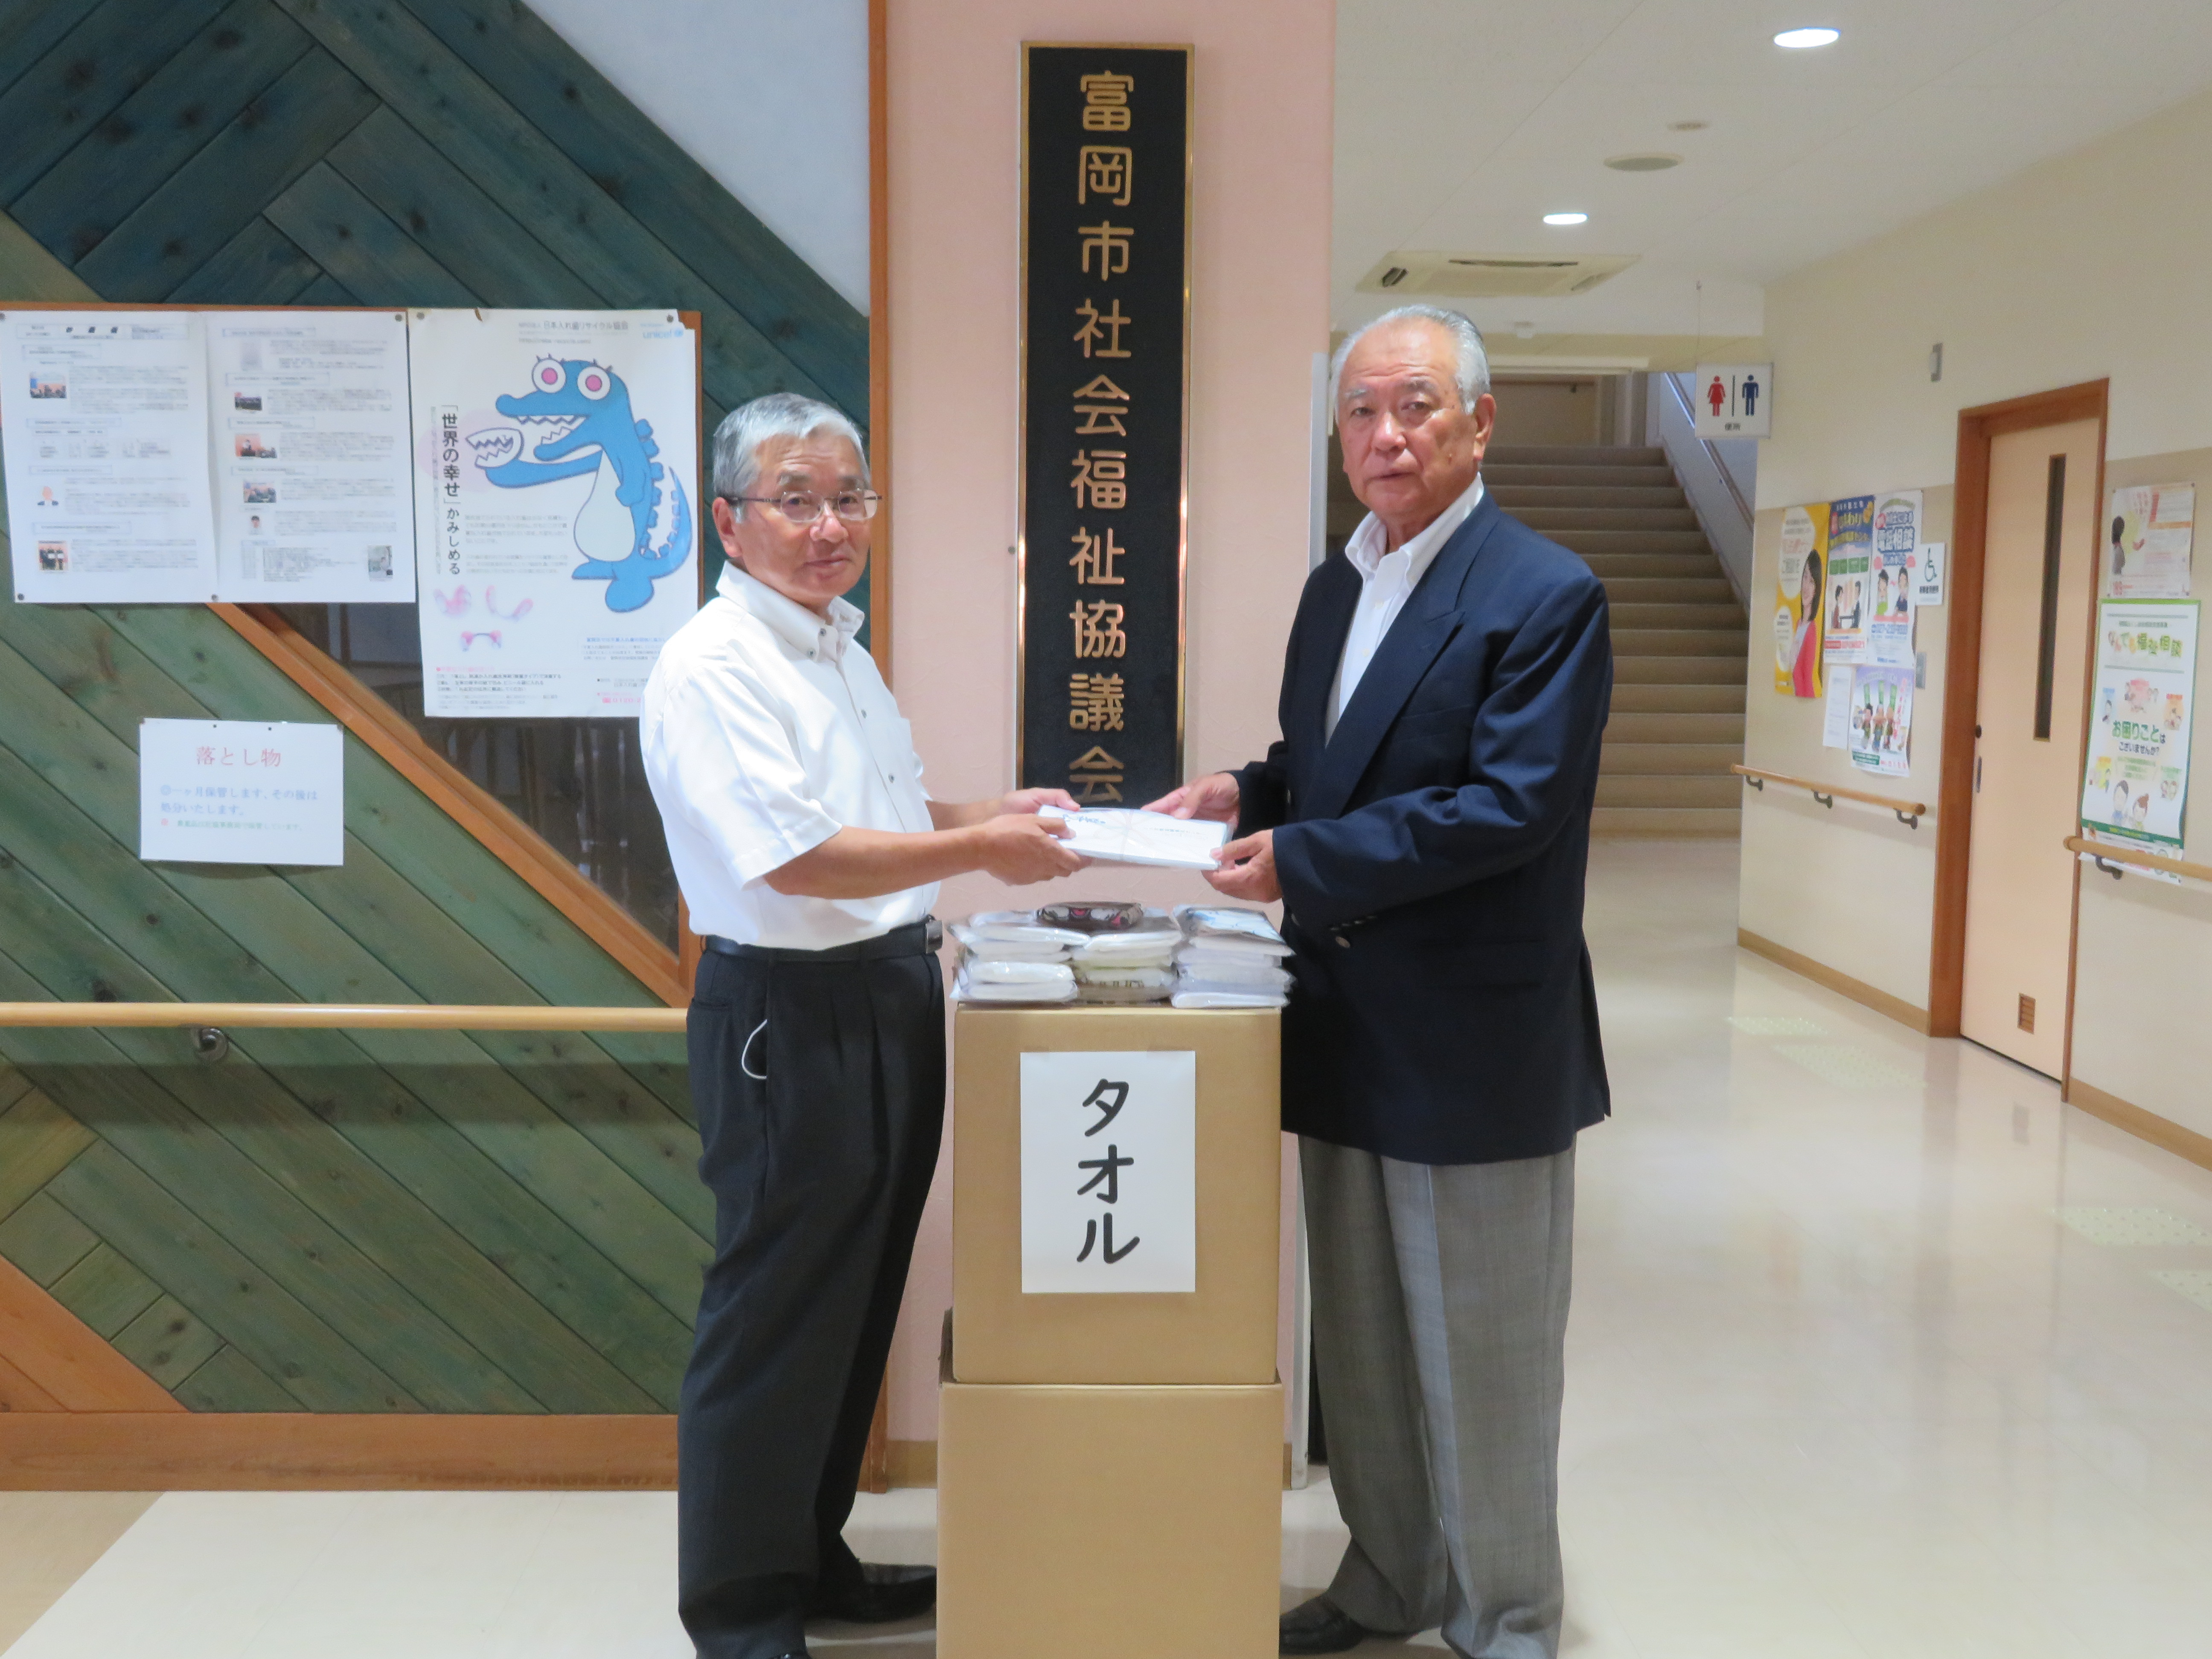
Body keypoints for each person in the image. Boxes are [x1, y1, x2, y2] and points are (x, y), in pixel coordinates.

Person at [1149, 305, 1611, 1659]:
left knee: (1485, 1354)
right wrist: (1251, 791)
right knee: (1360, 1338)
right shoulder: (1336, 586)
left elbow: (1509, 809)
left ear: (1480, 422)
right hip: (1345, 1018)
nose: (1385, 435)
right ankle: (1389, 1579)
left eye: (1416, 406)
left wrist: (1299, 856)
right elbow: (1332, 765)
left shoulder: (1545, 593)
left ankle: (1507, 1619)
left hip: (1475, 1043)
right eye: (1361, 410)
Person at [641, 392, 1086, 1659]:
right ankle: (739, 1612)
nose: (829, 525)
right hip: (787, 1014)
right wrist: (980, 851)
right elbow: (796, 858)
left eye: (850, 497)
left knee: (853, 1301)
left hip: (889, 989)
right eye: (795, 499)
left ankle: (807, 1557)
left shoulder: (838, 646)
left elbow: (875, 816)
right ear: (730, 521)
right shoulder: (714, 665)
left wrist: (985, 812)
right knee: (775, 1314)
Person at [1790, 547, 1824, 696]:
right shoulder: (1798, 623)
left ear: (1816, 590)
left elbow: (1806, 678)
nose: (1806, 587)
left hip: (1805, 695)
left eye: (1812, 582)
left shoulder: (1811, 630)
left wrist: (1793, 663)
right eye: (1805, 577)